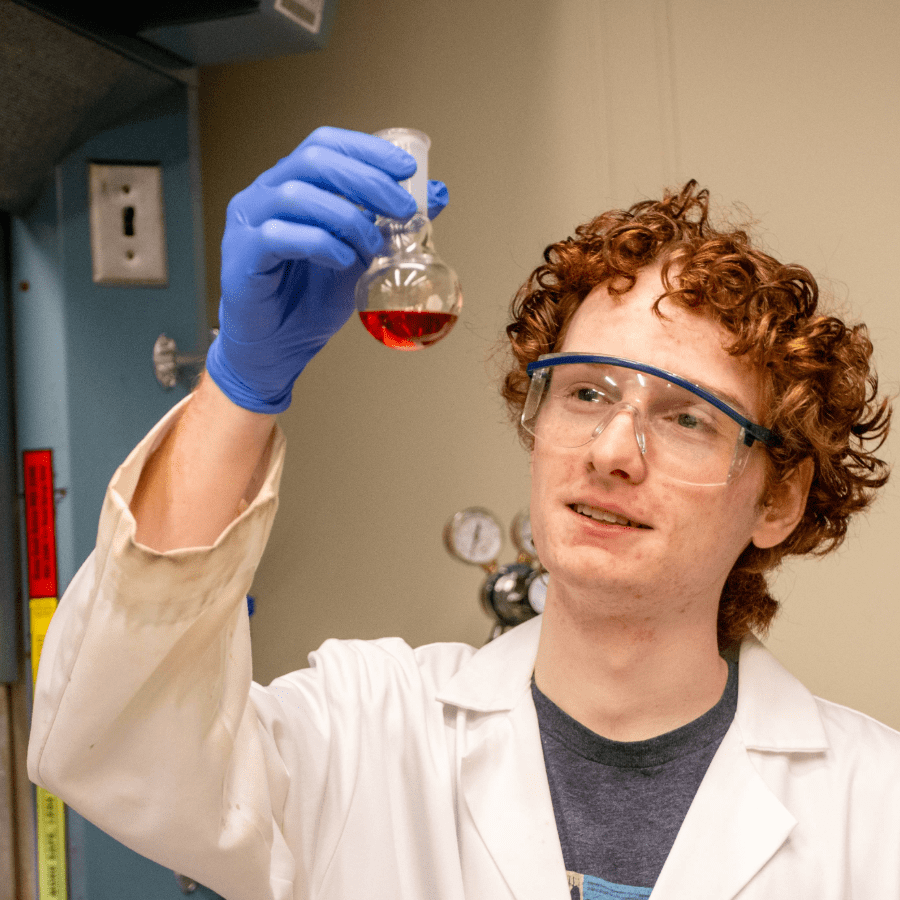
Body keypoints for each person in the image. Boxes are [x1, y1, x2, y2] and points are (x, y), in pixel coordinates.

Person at [28, 126, 899, 900]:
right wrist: (240, 383)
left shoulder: (875, 813)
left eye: (687, 419)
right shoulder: (365, 733)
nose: (611, 451)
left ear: (778, 498)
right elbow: (114, 740)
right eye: (588, 391)